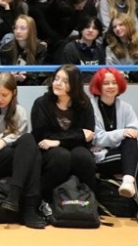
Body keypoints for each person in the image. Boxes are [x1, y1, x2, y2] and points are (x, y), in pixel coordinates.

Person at [0, 72, 46, 228]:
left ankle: (15, 197)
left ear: (14, 93)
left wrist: (3, 141)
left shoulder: (19, 111)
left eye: (4, 95)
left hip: (13, 159)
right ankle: (29, 207)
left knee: (29, 142)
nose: (0, 99)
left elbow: (20, 138)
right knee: (33, 153)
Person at [89, 68, 138, 222]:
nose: (111, 86)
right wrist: (121, 133)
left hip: (122, 157)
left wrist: (123, 136)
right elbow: (96, 138)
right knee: (135, 156)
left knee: (132, 142)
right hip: (100, 158)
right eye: (106, 83)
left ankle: (128, 182)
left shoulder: (126, 107)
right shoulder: (90, 108)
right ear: (98, 85)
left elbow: (136, 135)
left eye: (114, 82)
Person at [31, 65, 97, 208]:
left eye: (65, 81)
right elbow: (41, 137)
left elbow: (88, 136)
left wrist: (58, 141)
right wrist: (77, 135)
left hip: (74, 148)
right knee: (61, 156)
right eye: (56, 79)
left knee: (83, 156)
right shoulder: (41, 103)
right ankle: (45, 202)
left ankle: (88, 203)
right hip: (47, 152)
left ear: (75, 84)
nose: (58, 83)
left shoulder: (84, 103)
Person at [0, 14, 47, 86]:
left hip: (31, 84)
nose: (18, 31)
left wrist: (25, 74)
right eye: (16, 28)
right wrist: (12, 76)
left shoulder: (40, 49)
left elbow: (35, 73)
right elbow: (4, 72)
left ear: (31, 30)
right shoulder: (5, 49)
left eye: (22, 28)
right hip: (9, 84)